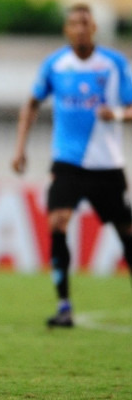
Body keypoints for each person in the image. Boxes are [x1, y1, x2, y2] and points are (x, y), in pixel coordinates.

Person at [12, 3, 132, 328]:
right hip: (67, 163)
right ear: (67, 30)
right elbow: (32, 103)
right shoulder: (55, 64)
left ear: (93, 28)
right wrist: (20, 148)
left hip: (107, 165)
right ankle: (64, 305)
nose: (79, 28)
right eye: (73, 23)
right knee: (57, 223)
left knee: (126, 231)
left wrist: (118, 114)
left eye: (84, 22)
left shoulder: (114, 63)